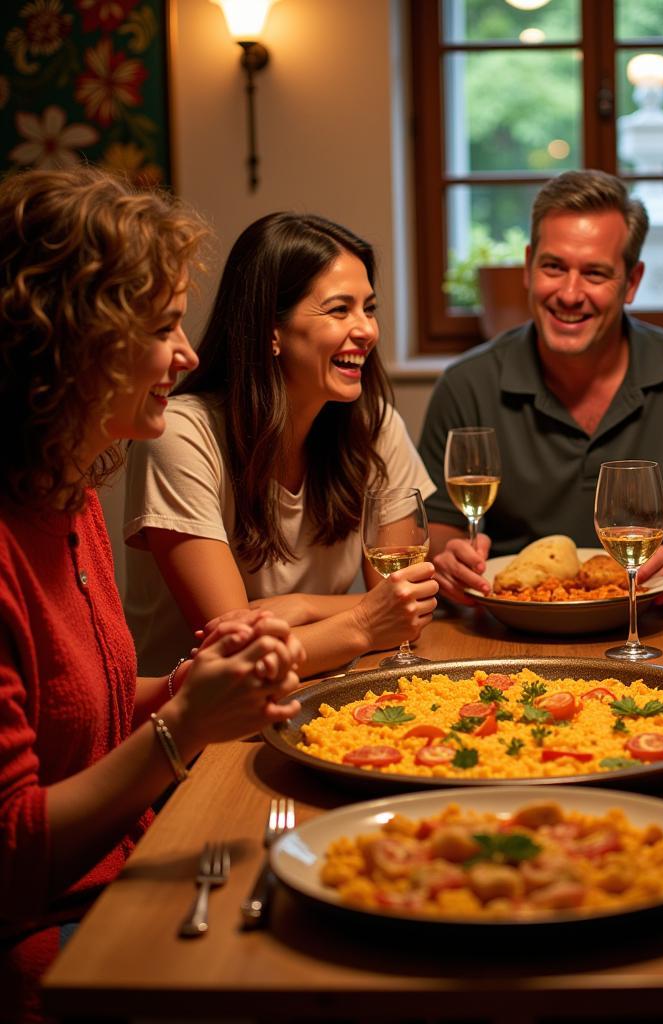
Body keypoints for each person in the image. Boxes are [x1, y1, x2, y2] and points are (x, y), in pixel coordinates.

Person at [0, 168, 304, 1022]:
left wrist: (185, 691)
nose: (190, 353)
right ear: (76, 340)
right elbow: (13, 854)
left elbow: (83, 715)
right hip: (48, 951)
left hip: (133, 872)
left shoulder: (66, 497)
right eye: (163, 326)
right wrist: (184, 729)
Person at [419, 169, 663, 606]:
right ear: (528, 267)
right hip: (513, 630)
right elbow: (438, 528)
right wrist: (449, 558)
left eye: (595, 274)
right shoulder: (466, 384)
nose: (569, 293)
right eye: (553, 267)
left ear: (633, 282)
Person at [123, 213, 439, 678]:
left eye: (368, 308)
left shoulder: (373, 425)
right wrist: (367, 620)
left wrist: (302, 606)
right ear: (271, 329)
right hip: (197, 733)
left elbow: (406, 612)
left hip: (320, 696)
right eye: (339, 310)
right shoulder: (180, 436)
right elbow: (237, 661)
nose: (367, 330)